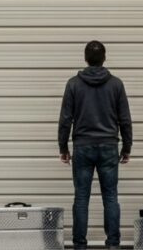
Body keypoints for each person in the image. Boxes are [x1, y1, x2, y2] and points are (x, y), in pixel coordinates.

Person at [57, 40, 133, 250]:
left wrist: (63, 148)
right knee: (110, 197)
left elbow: (65, 119)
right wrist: (126, 148)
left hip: (82, 146)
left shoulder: (73, 84)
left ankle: (80, 245)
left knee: (81, 197)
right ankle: (113, 245)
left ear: (85, 58)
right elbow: (124, 119)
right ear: (104, 58)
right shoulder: (116, 84)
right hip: (109, 147)